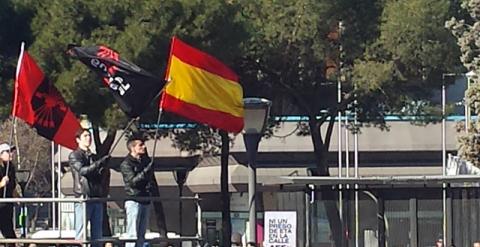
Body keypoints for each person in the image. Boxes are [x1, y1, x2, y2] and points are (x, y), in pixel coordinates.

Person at [69, 128, 110, 247]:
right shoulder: (74, 155)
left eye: (89, 136)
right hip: (83, 197)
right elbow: (82, 171)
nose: (89, 138)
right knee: (81, 233)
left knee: (97, 234)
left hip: (96, 197)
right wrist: (98, 163)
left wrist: (103, 166)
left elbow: (98, 175)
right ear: (78, 140)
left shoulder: (94, 156)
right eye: (85, 136)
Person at [120, 135, 155, 247]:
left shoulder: (144, 161)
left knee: (141, 235)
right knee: (132, 234)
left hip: (145, 200)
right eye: (140, 145)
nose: (144, 147)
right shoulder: (126, 164)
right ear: (133, 148)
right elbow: (132, 182)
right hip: (133, 200)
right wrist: (145, 172)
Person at [0, 143, 18, 246]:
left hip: (7, 205)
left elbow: (12, 186)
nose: (11, 153)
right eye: (8, 151)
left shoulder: (11, 168)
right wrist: (1, 184)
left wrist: (17, 197)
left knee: (9, 232)